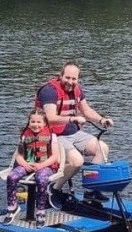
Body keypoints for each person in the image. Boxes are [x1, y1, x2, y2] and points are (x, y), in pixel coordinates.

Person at [35, 62, 114, 204]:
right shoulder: (49, 91)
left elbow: (87, 111)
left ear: (78, 79)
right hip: (52, 136)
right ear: (60, 76)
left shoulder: (77, 90)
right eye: (67, 78)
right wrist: (72, 118)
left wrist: (102, 120)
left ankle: (91, 191)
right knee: (77, 161)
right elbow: (51, 119)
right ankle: (53, 189)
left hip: (73, 134)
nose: (70, 82)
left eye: (74, 79)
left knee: (102, 148)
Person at [4, 109, 60, 227]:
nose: (36, 125)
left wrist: (41, 165)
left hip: (45, 166)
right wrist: (25, 164)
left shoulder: (51, 135)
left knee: (41, 180)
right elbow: (19, 155)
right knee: (11, 177)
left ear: (44, 123)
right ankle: (12, 207)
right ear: (29, 123)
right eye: (33, 122)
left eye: (39, 122)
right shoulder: (24, 135)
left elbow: (54, 156)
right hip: (27, 164)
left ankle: (40, 211)